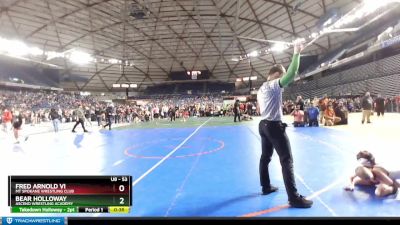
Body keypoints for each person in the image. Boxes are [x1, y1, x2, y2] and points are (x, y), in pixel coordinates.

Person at [256, 41, 313, 208]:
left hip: (263, 125)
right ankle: (294, 198)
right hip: (273, 126)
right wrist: (297, 52)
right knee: (286, 160)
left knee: (265, 158)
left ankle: (266, 187)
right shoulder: (273, 85)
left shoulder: (261, 89)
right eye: (280, 75)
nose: (282, 79)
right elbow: (291, 74)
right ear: (275, 75)